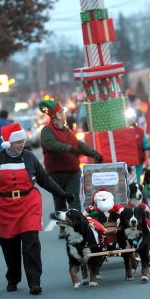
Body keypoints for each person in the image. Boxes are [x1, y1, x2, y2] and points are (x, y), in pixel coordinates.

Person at [0, 122, 74, 295]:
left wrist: (63, 194)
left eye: (23, 141)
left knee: (32, 243)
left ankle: (34, 282)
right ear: (8, 143)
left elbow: (44, 179)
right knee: (10, 247)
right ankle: (13, 278)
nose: (22, 144)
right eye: (18, 142)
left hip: (28, 204)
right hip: (4, 207)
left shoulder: (29, 157)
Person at [39, 98, 103, 239]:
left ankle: (78, 226)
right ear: (56, 116)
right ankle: (63, 228)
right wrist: (68, 149)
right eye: (61, 112)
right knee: (60, 201)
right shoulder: (47, 131)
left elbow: (78, 144)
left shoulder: (67, 130)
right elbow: (50, 144)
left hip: (73, 171)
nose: (64, 113)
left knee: (74, 199)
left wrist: (93, 153)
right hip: (55, 173)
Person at [130, 114, 150, 183]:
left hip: (138, 158)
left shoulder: (140, 131)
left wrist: (149, 146)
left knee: (137, 176)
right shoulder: (122, 130)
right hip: (127, 159)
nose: (132, 120)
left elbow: (145, 145)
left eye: (133, 118)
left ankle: (137, 189)